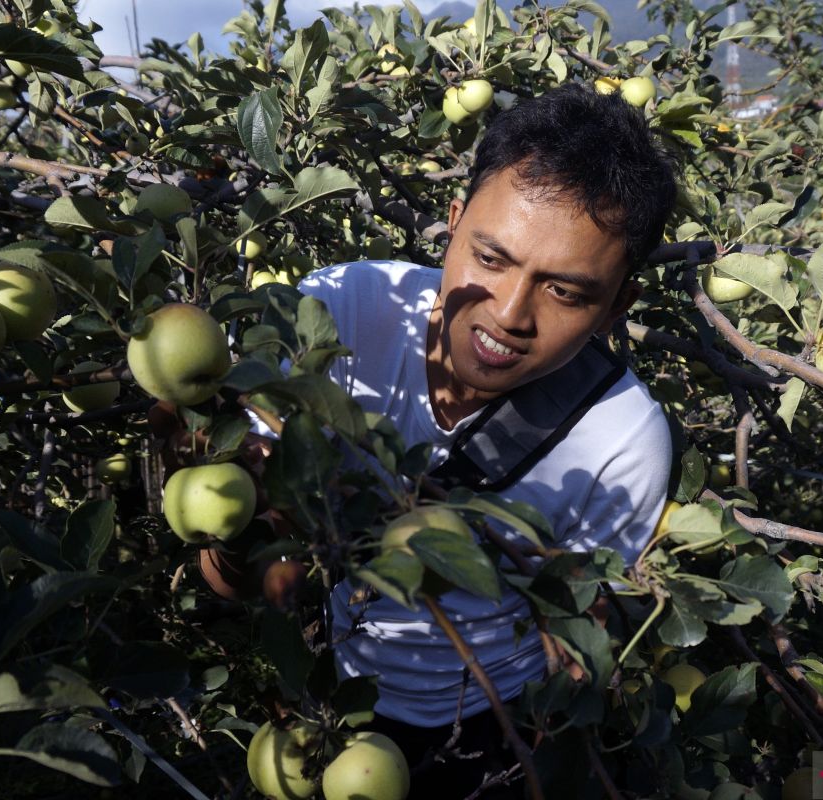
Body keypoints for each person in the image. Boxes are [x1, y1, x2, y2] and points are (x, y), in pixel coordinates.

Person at [281, 82, 676, 797]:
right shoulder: (341, 315)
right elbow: (256, 571)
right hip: (332, 707)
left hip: (486, 734)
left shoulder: (622, 441)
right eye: (489, 259)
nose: (510, 315)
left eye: (566, 292)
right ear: (453, 223)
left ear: (619, 305)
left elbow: (578, 641)